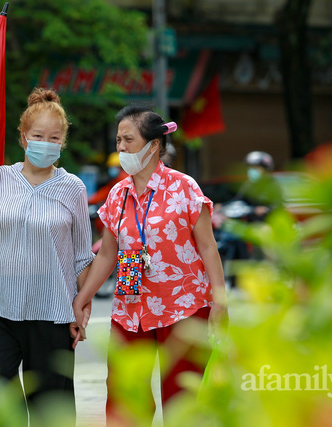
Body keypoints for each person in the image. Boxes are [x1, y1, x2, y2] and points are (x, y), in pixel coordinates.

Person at [72, 105, 229, 425]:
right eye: (118, 140)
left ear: (153, 145)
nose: (120, 147)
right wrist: (83, 296)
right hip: (131, 309)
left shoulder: (185, 188)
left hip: (184, 305)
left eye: (128, 140)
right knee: (125, 398)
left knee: (182, 399)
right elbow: (107, 254)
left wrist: (220, 300)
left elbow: (208, 247)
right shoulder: (117, 194)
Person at [0, 88, 94, 427]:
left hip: (52, 312)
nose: (46, 143)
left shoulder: (73, 188)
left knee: (50, 404)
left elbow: (81, 256)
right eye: (38, 136)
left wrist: (81, 309)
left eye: (54, 137)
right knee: (1, 398)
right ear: (23, 137)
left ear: (63, 142)